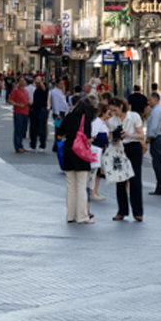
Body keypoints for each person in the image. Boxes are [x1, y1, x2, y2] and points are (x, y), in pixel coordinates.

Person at [59, 92, 96, 224]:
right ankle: (82, 216)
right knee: (81, 185)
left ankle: (70, 215)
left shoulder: (68, 117)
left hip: (69, 151)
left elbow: (59, 134)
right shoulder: (86, 120)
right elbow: (88, 138)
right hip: (81, 154)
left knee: (71, 186)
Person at [111, 97, 146, 222]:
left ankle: (138, 212)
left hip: (133, 146)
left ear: (121, 106)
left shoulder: (134, 116)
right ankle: (122, 210)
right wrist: (115, 139)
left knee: (135, 179)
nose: (113, 113)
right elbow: (111, 137)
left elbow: (142, 135)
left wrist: (129, 135)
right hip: (119, 148)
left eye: (115, 110)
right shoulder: (112, 120)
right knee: (120, 180)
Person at [145, 92, 161, 196]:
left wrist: (148, 138)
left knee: (157, 163)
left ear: (156, 99)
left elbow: (153, 126)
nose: (148, 102)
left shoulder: (155, 112)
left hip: (157, 138)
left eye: (150, 100)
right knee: (159, 163)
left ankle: (160, 187)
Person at [9, 76, 31, 152]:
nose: (22, 82)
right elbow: (10, 100)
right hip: (18, 112)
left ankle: (21, 145)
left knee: (23, 130)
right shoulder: (15, 90)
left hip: (26, 112)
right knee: (18, 130)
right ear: (18, 82)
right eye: (21, 81)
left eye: (23, 80)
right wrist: (18, 104)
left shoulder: (25, 91)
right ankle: (17, 146)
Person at [30, 77, 49, 152]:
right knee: (33, 129)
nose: (37, 84)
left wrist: (40, 83)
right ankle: (33, 145)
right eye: (36, 83)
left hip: (42, 111)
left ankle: (42, 146)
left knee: (42, 129)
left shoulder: (44, 88)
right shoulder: (36, 90)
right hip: (35, 110)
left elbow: (43, 88)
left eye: (38, 83)